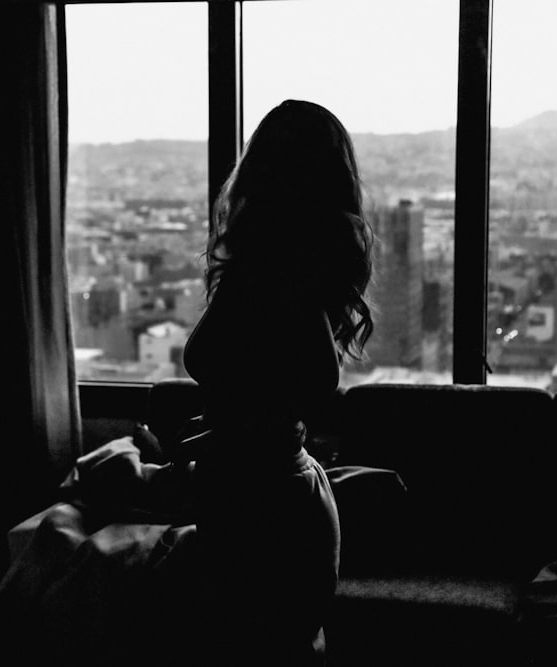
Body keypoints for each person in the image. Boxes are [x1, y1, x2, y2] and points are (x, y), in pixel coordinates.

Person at [181, 99, 374, 666]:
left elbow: (309, 380)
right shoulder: (268, 271)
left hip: (267, 499)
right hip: (257, 491)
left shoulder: (277, 273)